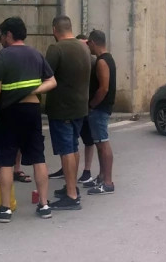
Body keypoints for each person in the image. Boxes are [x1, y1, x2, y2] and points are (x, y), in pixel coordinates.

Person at [0, 17, 57, 222]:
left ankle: (5, 209)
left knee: (6, 160)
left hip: (8, 112)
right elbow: (52, 81)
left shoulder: (2, 56)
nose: (0, 40)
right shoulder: (36, 54)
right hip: (32, 110)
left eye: (0, 35)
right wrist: (34, 90)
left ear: (9, 34)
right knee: (38, 156)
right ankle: (44, 205)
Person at [45, 15, 92, 210]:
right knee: (73, 147)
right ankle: (71, 187)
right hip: (80, 107)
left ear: (55, 29)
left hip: (62, 108)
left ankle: (71, 196)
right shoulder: (84, 47)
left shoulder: (56, 49)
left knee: (66, 151)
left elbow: (45, 74)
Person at [52, 34, 97, 184]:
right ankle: (69, 180)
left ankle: (74, 187)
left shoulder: (92, 58)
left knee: (72, 147)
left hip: (74, 108)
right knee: (71, 146)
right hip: (79, 108)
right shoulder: (83, 54)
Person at [82, 30, 117, 195]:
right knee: (99, 143)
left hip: (100, 109)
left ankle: (108, 182)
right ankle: (102, 176)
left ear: (94, 43)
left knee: (103, 144)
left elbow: (104, 88)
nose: (88, 46)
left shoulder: (102, 62)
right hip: (100, 109)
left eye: (89, 43)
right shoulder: (107, 59)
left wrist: (92, 105)